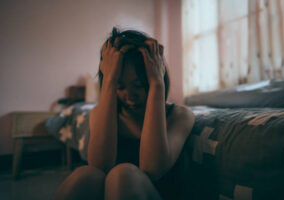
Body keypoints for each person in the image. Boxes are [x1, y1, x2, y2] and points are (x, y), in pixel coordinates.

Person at [53, 27, 195, 200]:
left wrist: (157, 84)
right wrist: (109, 80)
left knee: (123, 175)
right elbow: (99, 165)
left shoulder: (179, 115)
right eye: (120, 87)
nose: (130, 96)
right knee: (86, 175)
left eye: (138, 85)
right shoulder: (100, 113)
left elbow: (153, 169)